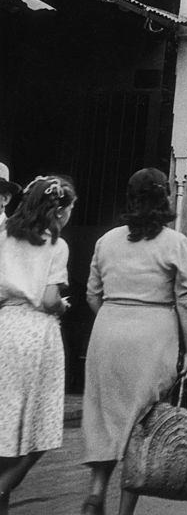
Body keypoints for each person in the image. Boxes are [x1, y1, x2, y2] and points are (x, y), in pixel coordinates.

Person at [81, 167, 187, 515]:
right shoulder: (176, 243)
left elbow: (91, 295)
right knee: (141, 424)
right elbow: (186, 302)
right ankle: (123, 512)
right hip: (153, 336)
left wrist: (115, 315)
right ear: (164, 197)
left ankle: (95, 491)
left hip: (107, 332)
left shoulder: (107, 241)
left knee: (103, 418)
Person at [0, 176, 75, 515]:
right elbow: (48, 299)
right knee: (39, 431)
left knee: (4, 425)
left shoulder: (4, 237)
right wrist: (62, 305)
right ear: (57, 210)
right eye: (70, 208)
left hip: (5, 326)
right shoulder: (55, 246)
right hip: (36, 336)